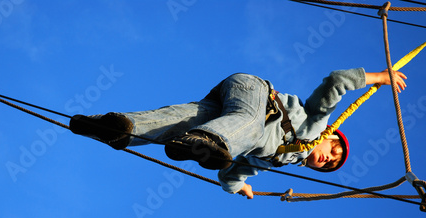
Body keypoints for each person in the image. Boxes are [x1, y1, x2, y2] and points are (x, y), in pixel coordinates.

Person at [69, 68, 407, 199]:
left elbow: (231, 171)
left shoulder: (277, 161)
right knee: (248, 124)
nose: (327, 158)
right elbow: (336, 83)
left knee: (176, 122)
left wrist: (239, 186)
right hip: (253, 93)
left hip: (221, 117)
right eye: (334, 150)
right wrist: (378, 78)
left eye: (329, 164)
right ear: (332, 137)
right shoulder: (318, 122)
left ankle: (113, 127)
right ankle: (206, 141)